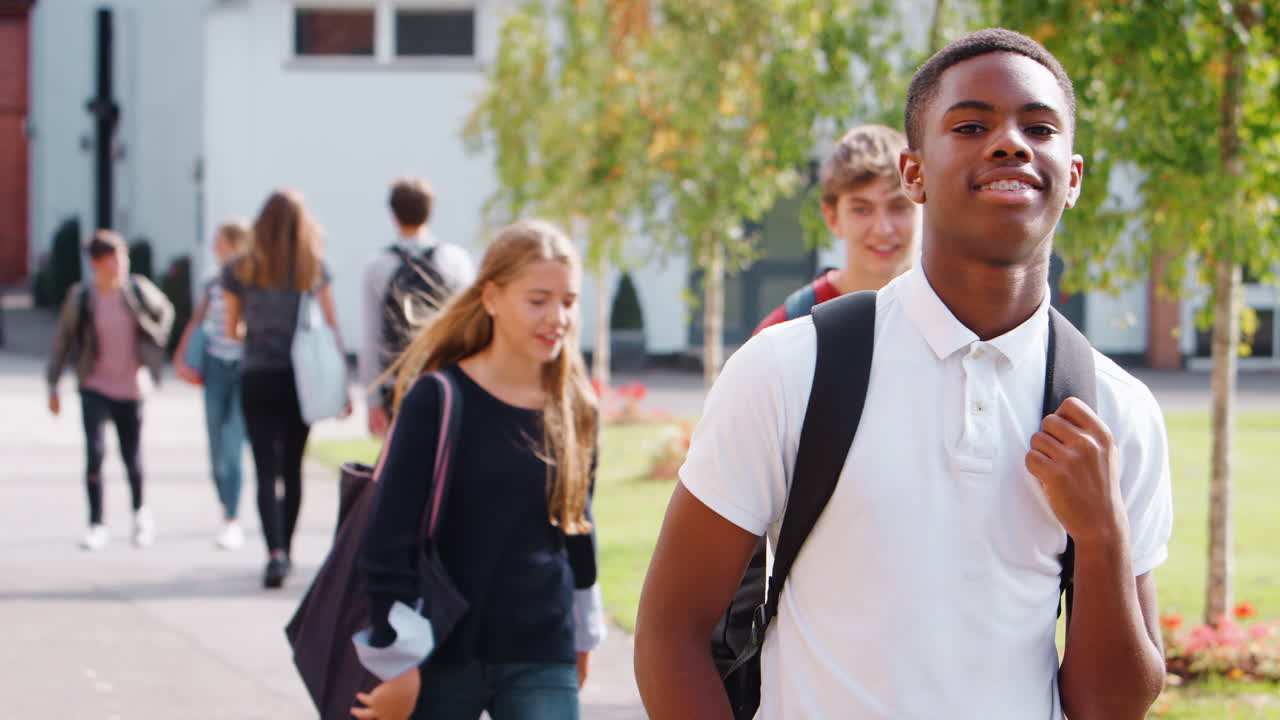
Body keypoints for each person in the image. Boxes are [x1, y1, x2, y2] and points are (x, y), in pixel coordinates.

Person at [634, 28, 1172, 719]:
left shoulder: (1116, 410)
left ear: (1071, 178)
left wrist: (1103, 536)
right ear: (913, 173)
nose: (1009, 142)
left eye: (1038, 127)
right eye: (972, 124)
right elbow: (670, 634)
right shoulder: (786, 369)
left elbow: (1112, 706)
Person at [350, 219, 607, 720]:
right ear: (490, 298)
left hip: (541, 648)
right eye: (538, 300)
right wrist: (398, 665)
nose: (558, 317)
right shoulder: (436, 399)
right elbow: (387, 543)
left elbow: (577, 531)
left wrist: (583, 636)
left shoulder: (576, 407)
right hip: (441, 652)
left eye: (569, 301)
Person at [222, 189, 346, 588]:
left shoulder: (239, 270)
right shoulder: (313, 267)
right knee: (292, 468)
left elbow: (231, 329)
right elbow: (329, 327)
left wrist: (257, 333)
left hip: (257, 375)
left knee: (264, 468)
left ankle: (272, 552)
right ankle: (288, 551)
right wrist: (341, 383)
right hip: (301, 379)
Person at [46, 229, 174, 550]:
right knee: (96, 452)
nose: (120, 264)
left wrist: (155, 344)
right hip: (95, 384)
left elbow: (166, 312)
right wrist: (53, 384)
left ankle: (140, 514)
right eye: (113, 259)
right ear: (96, 263)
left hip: (131, 387)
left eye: (123, 257)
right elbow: (63, 340)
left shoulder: (136, 291)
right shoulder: (83, 298)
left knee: (131, 456)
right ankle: (97, 522)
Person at [753, 124, 920, 334]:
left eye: (899, 207)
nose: (883, 229)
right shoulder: (784, 330)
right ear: (832, 218)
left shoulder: (960, 319)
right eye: (861, 209)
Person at [360, 177, 475, 437]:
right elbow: (469, 327)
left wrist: (372, 402)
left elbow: (371, 337)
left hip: (396, 383)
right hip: (445, 378)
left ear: (393, 214)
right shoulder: (455, 261)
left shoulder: (377, 266)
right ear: (430, 210)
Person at [173, 220, 253, 549]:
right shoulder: (211, 281)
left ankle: (232, 518)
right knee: (216, 448)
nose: (214, 247)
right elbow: (197, 319)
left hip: (245, 369)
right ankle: (226, 504)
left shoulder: (252, 279)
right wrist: (180, 357)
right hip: (215, 367)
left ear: (235, 243)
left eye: (219, 241)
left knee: (233, 444)